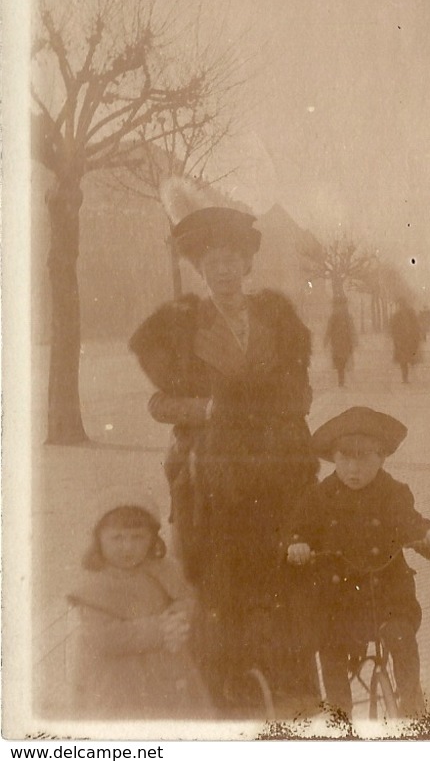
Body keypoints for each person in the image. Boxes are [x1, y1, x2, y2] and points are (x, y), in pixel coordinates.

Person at [128, 205, 319, 716]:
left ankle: (289, 685)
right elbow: (157, 404)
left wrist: (286, 404)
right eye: (213, 261)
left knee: (283, 569)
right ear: (201, 270)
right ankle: (221, 690)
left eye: (233, 259)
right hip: (210, 477)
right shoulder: (183, 328)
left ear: (248, 265)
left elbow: (303, 389)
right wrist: (207, 409)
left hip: (277, 467)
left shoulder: (276, 321)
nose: (224, 270)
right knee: (217, 578)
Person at [286, 406, 430, 717]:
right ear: (333, 458)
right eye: (344, 458)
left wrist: (429, 535)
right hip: (337, 600)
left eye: (363, 458)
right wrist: (298, 546)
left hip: (387, 596)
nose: (353, 469)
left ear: (382, 457)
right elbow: (298, 530)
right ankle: (339, 718)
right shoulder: (319, 497)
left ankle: (413, 710)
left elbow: (410, 522)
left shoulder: (394, 493)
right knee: (330, 647)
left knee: (401, 637)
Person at [67, 493, 212, 719]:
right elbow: (104, 637)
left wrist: (178, 618)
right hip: (116, 676)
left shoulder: (162, 569)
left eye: (138, 538)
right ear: (98, 540)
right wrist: (161, 630)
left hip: (165, 668)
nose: (128, 547)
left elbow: (185, 598)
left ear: (152, 539)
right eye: (117, 538)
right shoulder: (94, 584)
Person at [325, 297, 357, 388]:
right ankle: (341, 380)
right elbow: (351, 329)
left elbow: (329, 329)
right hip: (341, 342)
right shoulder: (342, 316)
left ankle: (341, 380)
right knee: (341, 361)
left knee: (341, 361)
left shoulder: (340, 316)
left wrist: (326, 339)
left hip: (340, 342)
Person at [389, 300, 423, 384]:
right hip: (406, 341)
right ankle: (408, 377)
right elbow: (416, 326)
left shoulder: (398, 316)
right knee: (407, 360)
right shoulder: (409, 314)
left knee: (405, 360)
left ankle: (406, 377)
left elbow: (393, 328)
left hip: (404, 341)